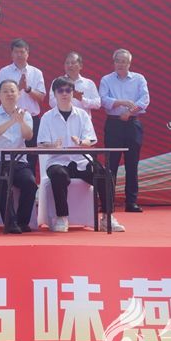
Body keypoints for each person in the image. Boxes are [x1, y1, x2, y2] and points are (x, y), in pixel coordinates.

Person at [37, 77, 124, 232]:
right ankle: (62, 217)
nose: (64, 94)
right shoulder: (47, 117)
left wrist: (82, 142)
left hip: (81, 161)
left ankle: (107, 217)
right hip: (57, 161)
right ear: (55, 94)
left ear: (73, 93)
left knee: (105, 174)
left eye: (68, 90)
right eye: (60, 91)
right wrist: (53, 145)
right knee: (58, 175)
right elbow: (41, 143)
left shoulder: (82, 115)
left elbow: (91, 139)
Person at [0, 79, 38, 234]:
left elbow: (28, 136)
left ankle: (22, 222)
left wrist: (21, 122)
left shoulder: (25, 114)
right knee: (4, 182)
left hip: (19, 163)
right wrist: (11, 121)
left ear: (19, 94)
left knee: (30, 183)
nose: (9, 94)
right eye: (5, 91)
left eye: (12, 91)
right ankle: (10, 223)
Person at [100, 49, 150, 213]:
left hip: (132, 124)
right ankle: (108, 203)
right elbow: (103, 100)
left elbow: (145, 99)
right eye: (118, 61)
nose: (120, 64)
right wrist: (122, 102)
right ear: (113, 62)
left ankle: (131, 202)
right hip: (113, 124)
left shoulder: (139, 79)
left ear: (129, 63)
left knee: (132, 165)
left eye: (124, 61)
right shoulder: (106, 79)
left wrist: (130, 111)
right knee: (111, 165)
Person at [0, 39, 46, 169]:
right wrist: (17, 88)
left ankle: (29, 180)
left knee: (31, 157)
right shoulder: (4, 72)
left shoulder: (36, 72)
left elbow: (41, 97)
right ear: (11, 54)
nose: (19, 55)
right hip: (10, 118)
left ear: (27, 53)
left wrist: (27, 89)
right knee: (10, 156)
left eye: (22, 52)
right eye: (16, 52)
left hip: (31, 119)